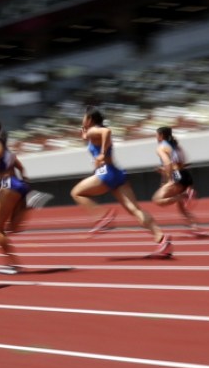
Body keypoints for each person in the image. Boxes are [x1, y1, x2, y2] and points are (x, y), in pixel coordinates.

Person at [71, 108, 172, 257]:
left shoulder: (94, 130)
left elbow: (107, 132)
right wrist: (86, 136)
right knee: (135, 209)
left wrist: (102, 155)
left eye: (84, 117)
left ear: (90, 119)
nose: (82, 120)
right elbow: (99, 136)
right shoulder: (92, 132)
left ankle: (102, 215)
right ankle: (161, 237)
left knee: (76, 193)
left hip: (106, 173)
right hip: (116, 173)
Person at [0, 116, 38, 274]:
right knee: (12, 228)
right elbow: (21, 168)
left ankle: (12, 264)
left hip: (8, 185)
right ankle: (29, 204)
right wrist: (25, 184)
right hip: (19, 185)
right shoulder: (6, 149)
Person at [153, 126, 208, 235]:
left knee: (157, 199)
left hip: (176, 175)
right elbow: (183, 163)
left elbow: (168, 164)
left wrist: (167, 180)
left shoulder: (161, 147)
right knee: (181, 206)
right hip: (186, 175)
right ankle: (194, 226)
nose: (155, 137)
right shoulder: (177, 146)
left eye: (156, 135)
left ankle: (183, 196)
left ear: (161, 136)